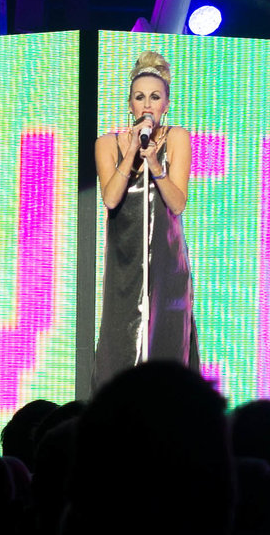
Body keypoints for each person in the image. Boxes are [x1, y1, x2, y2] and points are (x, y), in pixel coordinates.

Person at [92, 49, 198, 384]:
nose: (147, 104)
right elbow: (110, 199)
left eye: (155, 97)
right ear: (130, 105)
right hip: (125, 260)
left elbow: (177, 203)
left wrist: (155, 164)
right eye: (140, 97)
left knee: (166, 341)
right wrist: (131, 156)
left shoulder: (178, 138)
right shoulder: (107, 143)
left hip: (167, 259)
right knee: (121, 339)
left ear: (166, 104)